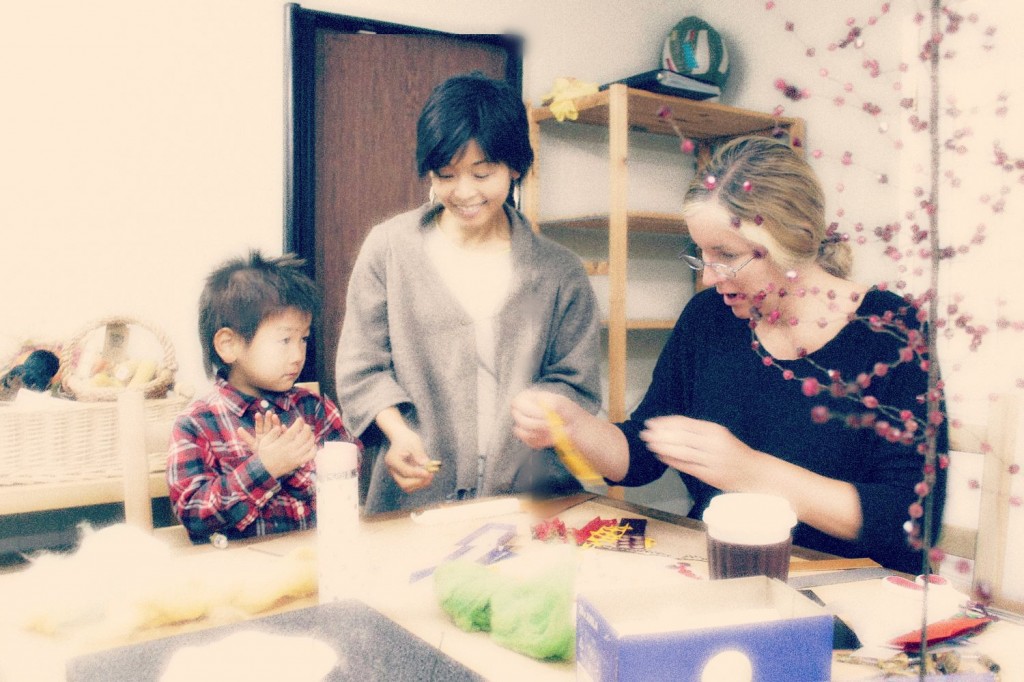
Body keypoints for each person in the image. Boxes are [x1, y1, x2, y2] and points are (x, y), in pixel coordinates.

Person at [512, 135, 946, 574]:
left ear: (792, 241)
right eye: (702, 256)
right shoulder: (709, 319)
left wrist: (749, 472)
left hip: (855, 591)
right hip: (726, 573)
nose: (710, 278)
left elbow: (911, 520)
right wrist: (574, 426)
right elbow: (640, 457)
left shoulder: (892, 331)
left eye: (728, 256)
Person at [335, 72, 601, 514]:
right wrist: (398, 433)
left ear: (515, 167)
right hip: (411, 503)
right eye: (446, 175)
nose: (464, 192)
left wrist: (543, 411)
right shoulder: (389, 250)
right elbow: (362, 370)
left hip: (529, 503)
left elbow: (577, 384)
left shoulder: (558, 272)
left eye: (483, 173)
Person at [167, 250, 355, 543]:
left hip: (316, 563)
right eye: (284, 340)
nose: (298, 355)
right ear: (229, 345)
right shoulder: (196, 423)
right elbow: (194, 515)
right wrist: (264, 468)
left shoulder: (315, 409)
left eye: (303, 338)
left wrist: (290, 467)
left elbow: (346, 489)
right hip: (239, 577)